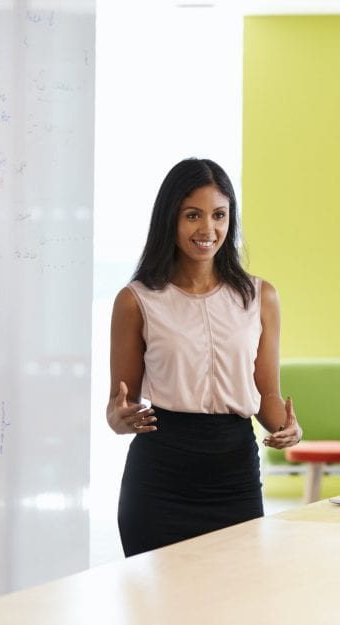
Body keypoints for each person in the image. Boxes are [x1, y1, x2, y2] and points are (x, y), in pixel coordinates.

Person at [106, 158, 302, 556]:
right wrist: (121, 418)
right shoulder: (136, 300)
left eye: (219, 215)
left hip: (234, 474)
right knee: (160, 612)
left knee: (236, 606)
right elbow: (117, 407)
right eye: (193, 215)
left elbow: (266, 396)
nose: (207, 229)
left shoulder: (259, 296)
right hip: (159, 475)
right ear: (170, 219)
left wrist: (289, 429)